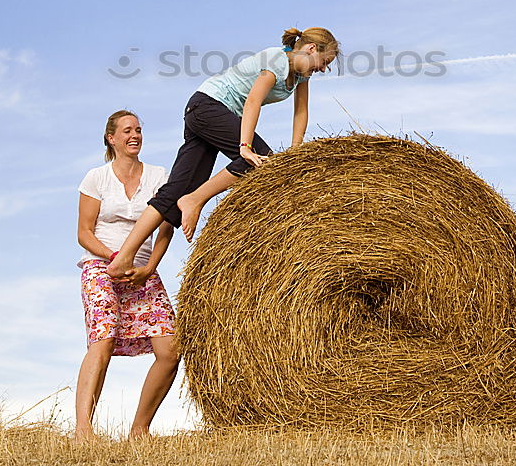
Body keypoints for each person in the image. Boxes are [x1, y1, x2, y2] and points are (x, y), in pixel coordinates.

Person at [107, 27, 339, 280]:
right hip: (207, 106)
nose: (324, 69)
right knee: (261, 160)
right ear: (311, 48)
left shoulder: (301, 75)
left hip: (208, 113)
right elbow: (252, 101)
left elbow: (301, 113)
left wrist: (295, 153)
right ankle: (195, 200)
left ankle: (124, 258)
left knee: (176, 191)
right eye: (325, 62)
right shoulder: (277, 60)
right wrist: (245, 148)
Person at [74, 110, 179, 441]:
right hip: (101, 267)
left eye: (138, 130)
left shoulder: (159, 176)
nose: (135, 135)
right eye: (127, 130)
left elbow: (166, 228)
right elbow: (84, 232)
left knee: (170, 349)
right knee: (102, 341)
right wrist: (115, 257)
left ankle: (139, 430)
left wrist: (149, 267)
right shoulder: (96, 178)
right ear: (112, 138)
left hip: (143, 271)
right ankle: (83, 430)